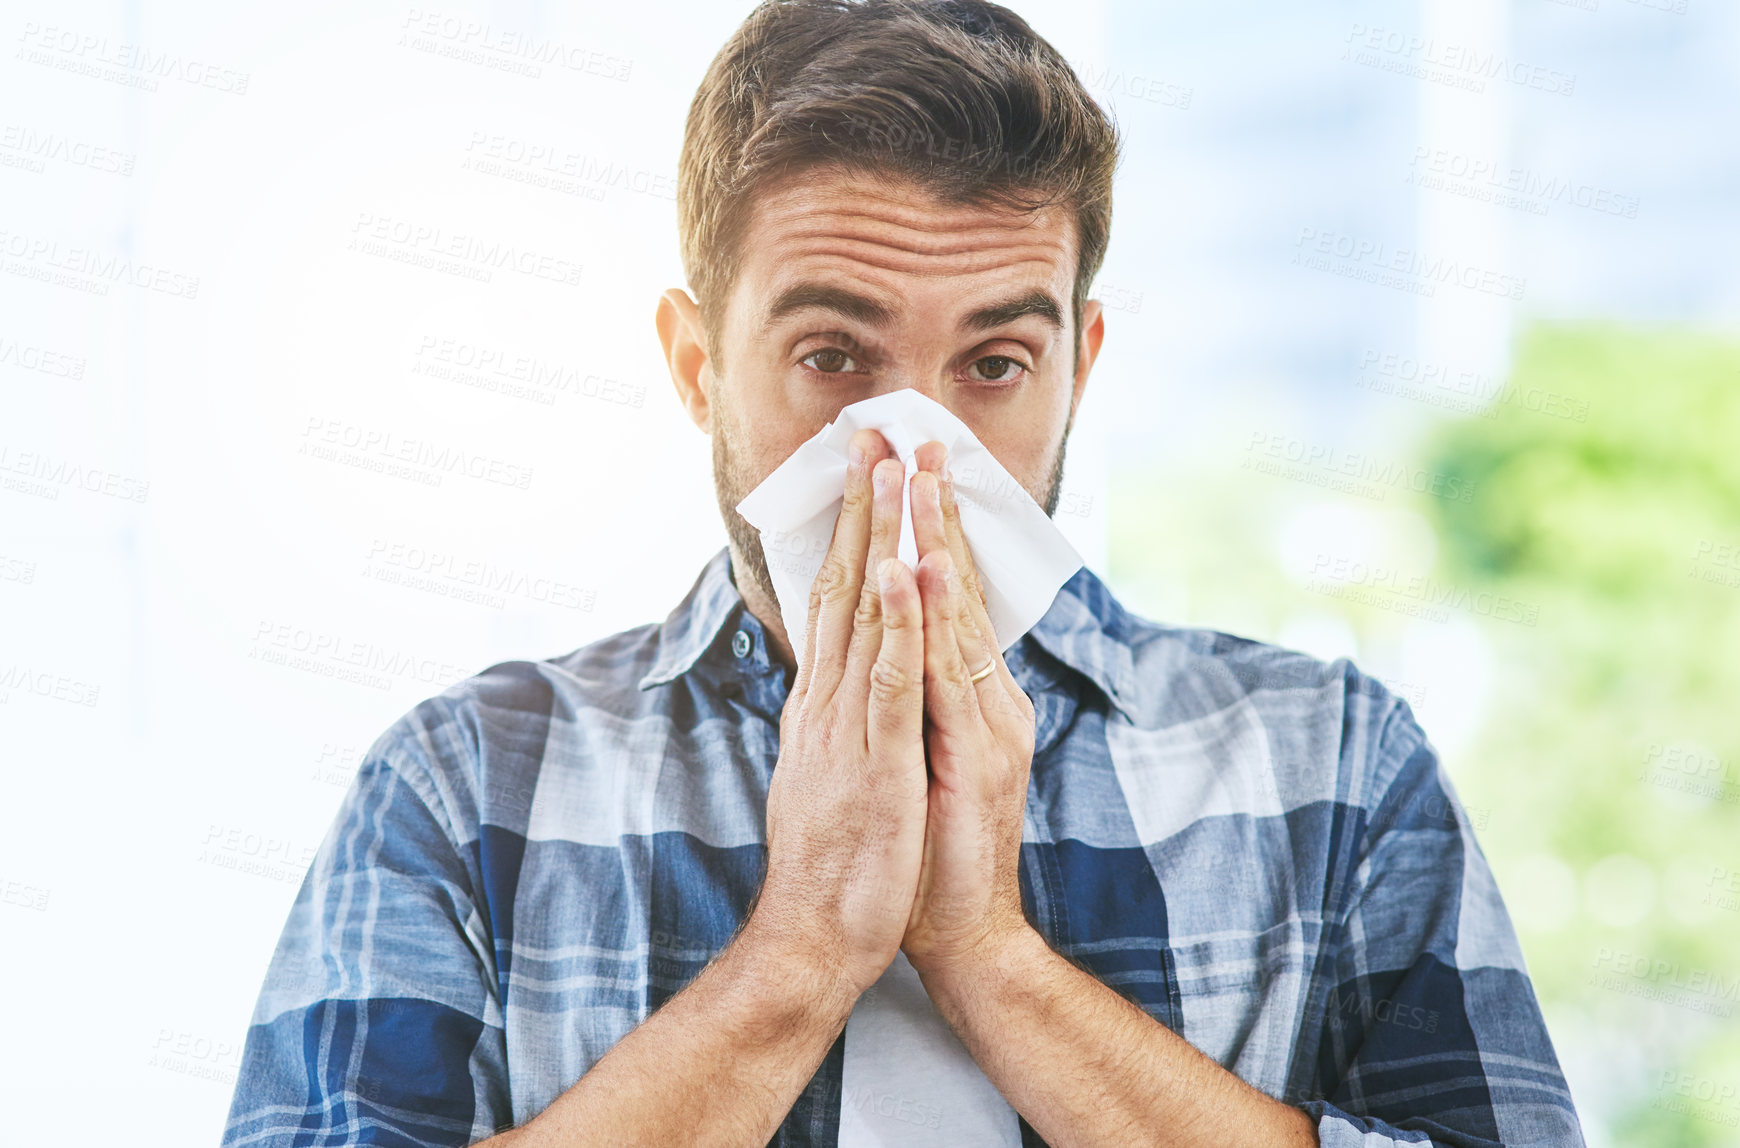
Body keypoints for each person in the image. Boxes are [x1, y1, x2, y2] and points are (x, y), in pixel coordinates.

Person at [222, 2, 1585, 1145]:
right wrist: (801, 951)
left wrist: (988, 954)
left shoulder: (1330, 769)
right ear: (698, 366)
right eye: (833, 356)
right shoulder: (467, 788)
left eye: (993, 365)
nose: (911, 443)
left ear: (1080, 369)